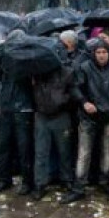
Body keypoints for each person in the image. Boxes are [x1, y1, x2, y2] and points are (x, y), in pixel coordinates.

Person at [64, 40, 109, 204]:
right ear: (93, 53)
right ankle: (79, 187)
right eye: (98, 52)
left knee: (106, 151)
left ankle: (104, 181)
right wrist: (84, 102)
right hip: (88, 117)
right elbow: (75, 88)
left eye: (104, 52)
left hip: (108, 116)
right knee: (84, 153)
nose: (101, 55)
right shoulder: (85, 68)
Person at [0, 31, 36, 195]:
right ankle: (4, 179)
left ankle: (27, 181)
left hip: (24, 108)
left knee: (24, 147)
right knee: (3, 146)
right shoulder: (4, 56)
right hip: (7, 107)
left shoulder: (29, 58)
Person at [31, 62, 77, 201]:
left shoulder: (66, 72)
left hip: (61, 115)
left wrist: (64, 103)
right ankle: (40, 184)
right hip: (42, 116)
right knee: (41, 152)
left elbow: (73, 92)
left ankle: (67, 179)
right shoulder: (36, 72)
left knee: (64, 151)